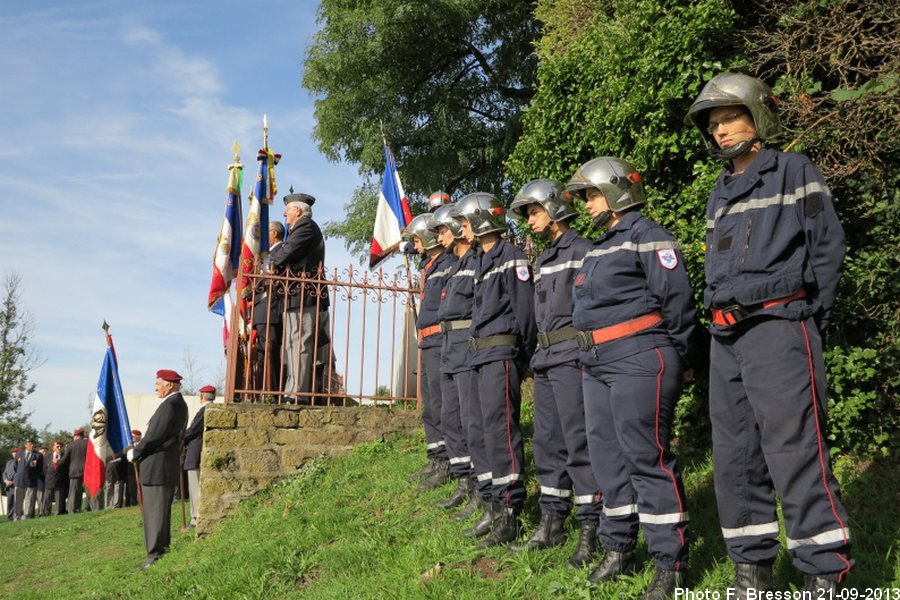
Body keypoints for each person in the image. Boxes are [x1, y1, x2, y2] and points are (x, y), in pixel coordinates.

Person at [685, 72, 852, 594]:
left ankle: (826, 574)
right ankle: (751, 572)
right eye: (713, 125)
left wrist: (804, 316)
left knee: (794, 447)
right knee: (735, 455)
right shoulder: (720, 191)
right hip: (726, 338)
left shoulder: (794, 171)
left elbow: (827, 250)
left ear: (757, 115)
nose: (720, 131)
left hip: (780, 327)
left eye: (730, 117)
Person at [567, 157, 696, 599]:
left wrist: (676, 354)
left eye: (591, 194)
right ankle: (618, 547)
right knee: (606, 459)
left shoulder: (649, 236)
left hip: (640, 357)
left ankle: (670, 563)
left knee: (646, 458)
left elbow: (678, 302)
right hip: (596, 364)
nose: (586, 205)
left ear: (618, 190)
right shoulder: (599, 245)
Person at [506, 179, 602, 568]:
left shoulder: (583, 250)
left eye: (534, 211)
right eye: (527, 214)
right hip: (546, 359)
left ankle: (591, 527)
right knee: (547, 443)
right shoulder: (543, 260)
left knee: (578, 442)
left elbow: (592, 306)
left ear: (555, 207)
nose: (530, 220)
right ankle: (551, 521)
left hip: (572, 356)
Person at [453, 192, 536, 548]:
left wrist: (523, 357)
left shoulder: (510, 258)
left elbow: (526, 314)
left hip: (501, 353)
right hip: (478, 356)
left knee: (502, 433)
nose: (461, 229)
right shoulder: (480, 260)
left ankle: (509, 512)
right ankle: (491, 501)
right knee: (482, 431)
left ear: (483, 220)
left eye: (466, 222)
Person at [429, 203, 479, 512]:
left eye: (444, 229)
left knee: (468, 417)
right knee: (450, 415)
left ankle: (477, 481)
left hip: (466, 343)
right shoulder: (454, 264)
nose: (441, 236)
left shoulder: (474, 261)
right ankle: (462, 478)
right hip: (448, 343)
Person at [404, 212, 455, 492]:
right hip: (427, 342)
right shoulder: (431, 266)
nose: (415, 243)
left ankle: (447, 460)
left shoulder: (447, 264)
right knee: (430, 406)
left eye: (416, 238)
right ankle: (435, 456)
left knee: (440, 403)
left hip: (439, 340)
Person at [269, 192, 328, 404]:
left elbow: (285, 253)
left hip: (304, 294)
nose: (285, 216)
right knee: (292, 344)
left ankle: (297, 393)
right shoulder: (299, 228)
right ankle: (292, 389)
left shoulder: (306, 226)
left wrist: (273, 259)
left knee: (300, 343)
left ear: (297, 210)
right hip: (295, 294)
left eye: (287, 212)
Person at [127, 370, 189, 570]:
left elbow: (154, 436)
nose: (155, 387)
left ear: (169, 385)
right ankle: (160, 550)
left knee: (154, 512)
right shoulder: (178, 404)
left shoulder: (170, 405)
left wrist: (135, 452)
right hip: (162, 465)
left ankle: (155, 554)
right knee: (159, 512)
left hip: (157, 466)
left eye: (157, 383)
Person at [252, 221, 286, 394]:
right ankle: (262, 388)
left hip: (270, 309)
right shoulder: (269, 253)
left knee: (269, 352)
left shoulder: (280, 251)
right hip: (261, 309)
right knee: (261, 353)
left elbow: (272, 277)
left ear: (274, 234)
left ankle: (270, 391)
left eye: (267, 233)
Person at [184, 384, 215, 528]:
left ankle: (196, 518)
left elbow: (192, 431)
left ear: (201, 397)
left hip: (196, 453)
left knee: (195, 487)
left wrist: (179, 437)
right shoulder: (213, 410)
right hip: (200, 452)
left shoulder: (204, 410)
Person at [13, 439, 43, 520]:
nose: (32, 445)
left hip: (31, 481)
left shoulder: (38, 455)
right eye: (30, 444)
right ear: (25, 445)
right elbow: (15, 467)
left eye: (33, 444)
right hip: (19, 481)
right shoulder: (19, 454)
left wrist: (33, 477)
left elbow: (39, 469)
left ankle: (26, 517)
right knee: (18, 501)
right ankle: (17, 516)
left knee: (28, 501)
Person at [64, 427, 89, 513]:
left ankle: (73, 510)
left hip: (74, 472)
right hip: (87, 471)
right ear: (82, 435)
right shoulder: (88, 443)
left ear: (76, 436)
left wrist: (57, 463)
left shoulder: (71, 445)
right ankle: (90, 508)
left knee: (74, 493)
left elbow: (64, 459)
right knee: (89, 492)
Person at [43, 441, 66, 516]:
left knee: (59, 499)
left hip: (60, 481)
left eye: (60, 446)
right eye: (57, 446)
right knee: (47, 499)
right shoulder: (47, 457)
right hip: (49, 480)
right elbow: (44, 469)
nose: (59, 448)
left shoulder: (64, 456)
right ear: (53, 448)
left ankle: (58, 513)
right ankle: (46, 513)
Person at [125, 430, 142, 507]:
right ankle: (134, 501)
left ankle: (141, 500)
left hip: (140, 466)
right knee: (132, 485)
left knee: (140, 484)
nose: (132, 438)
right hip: (131, 467)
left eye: (133, 437)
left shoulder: (141, 444)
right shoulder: (129, 445)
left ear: (138, 437)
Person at [3, 448, 18, 521]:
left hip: (16, 485)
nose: (14, 453)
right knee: (9, 503)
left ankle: (16, 517)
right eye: (13, 452)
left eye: (16, 452)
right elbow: (4, 473)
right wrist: (6, 480)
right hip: (8, 486)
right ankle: (9, 518)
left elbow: (20, 474)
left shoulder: (21, 462)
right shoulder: (9, 462)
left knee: (16, 503)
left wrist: (13, 482)